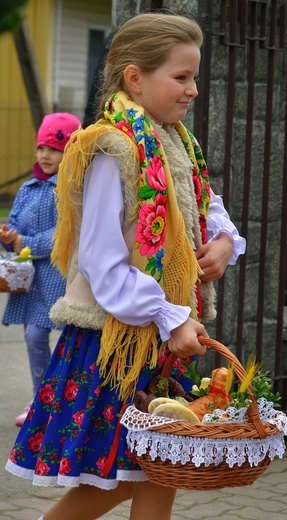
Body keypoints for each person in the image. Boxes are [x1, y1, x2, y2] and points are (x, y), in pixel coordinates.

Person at [5, 13, 246, 520]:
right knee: (118, 479)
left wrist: (224, 242)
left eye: (194, 77)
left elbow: (205, 207)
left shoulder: (176, 142)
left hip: (155, 336)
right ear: (135, 77)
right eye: (181, 77)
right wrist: (169, 314)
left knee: (161, 468)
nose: (194, 90)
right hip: (112, 340)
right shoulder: (112, 148)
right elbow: (99, 261)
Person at [0, 112, 81, 426]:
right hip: (29, 282)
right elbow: (17, 226)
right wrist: (10, 236)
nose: (46, 155)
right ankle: (39, 399)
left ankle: (65, 397)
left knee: (67, 343)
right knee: (34, 338)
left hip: (60, 280)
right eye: (41, 148)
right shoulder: (28, 188)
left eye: (55, 149)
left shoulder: (71, 190)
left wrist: (24, 241)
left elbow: (64, 234)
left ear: (70, 152)